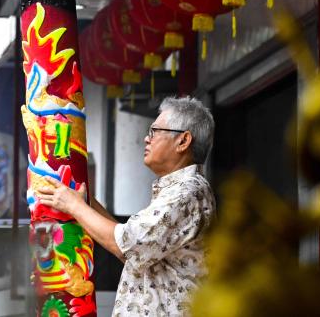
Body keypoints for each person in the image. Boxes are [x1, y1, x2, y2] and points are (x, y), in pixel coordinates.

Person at [37, 96, 216, 316]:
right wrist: (84, 202)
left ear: (183, 141)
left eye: (154, 131)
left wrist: (74, 206)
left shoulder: (188, 191)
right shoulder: (180, 190)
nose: (146, 139)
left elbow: (128, 243)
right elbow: (131, 250)